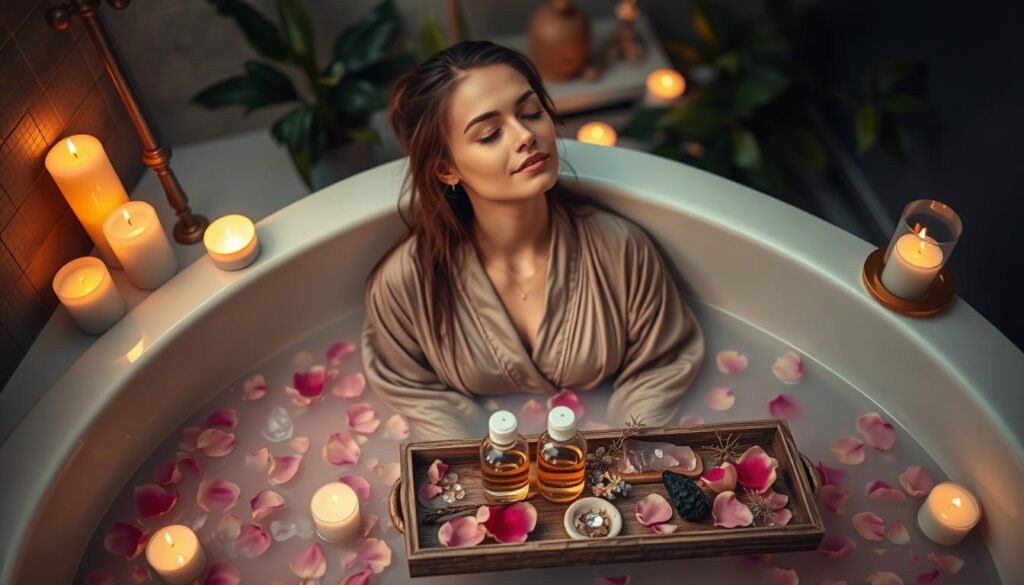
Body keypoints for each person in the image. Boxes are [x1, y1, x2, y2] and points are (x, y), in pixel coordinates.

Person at [361, 40, 704, 441]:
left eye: (531, 112)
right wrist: (472, 465)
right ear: (446, 170)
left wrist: (623, 458)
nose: (525, 135)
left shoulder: (620, 249)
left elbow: (663, 364)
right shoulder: (405, 283)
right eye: (490, 134)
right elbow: (414, 390)